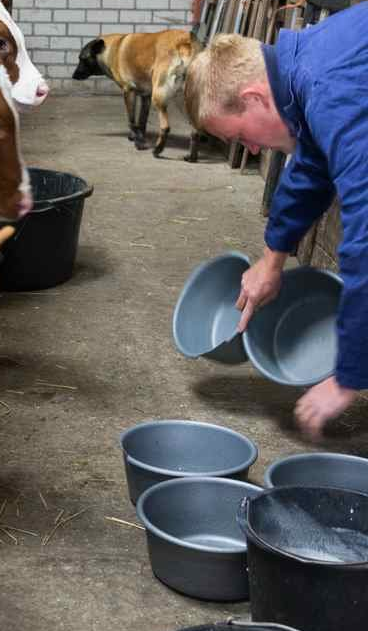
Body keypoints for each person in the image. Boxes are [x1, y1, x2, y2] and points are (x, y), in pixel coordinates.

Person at [183, 4, 368, 439]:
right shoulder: (307, 67)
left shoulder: (330, 92)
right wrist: (273, 258)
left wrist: (348, 375)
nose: (250, 150)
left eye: (240, 136)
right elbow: (311, 166)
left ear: (253, 98)